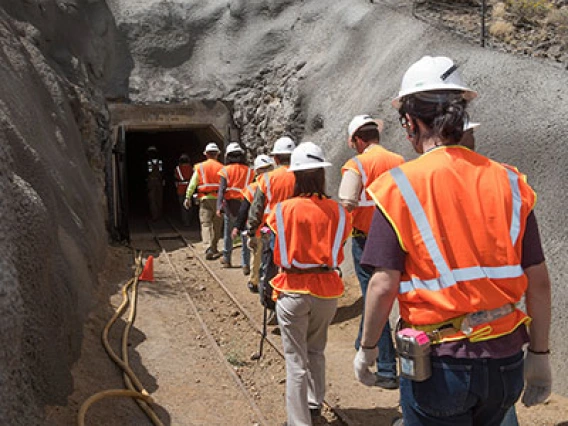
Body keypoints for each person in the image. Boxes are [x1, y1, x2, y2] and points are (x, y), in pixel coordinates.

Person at [353, 56, 552, 425]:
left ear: (411, 122)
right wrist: (540, 354)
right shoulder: (511, 183)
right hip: (506, 362)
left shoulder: (397, 187)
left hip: (440, 366)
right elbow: (538, 280)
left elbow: (383, 285)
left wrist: (367, 349)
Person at [266, 142, 352, 426]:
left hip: (292, 287)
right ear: (321, 174)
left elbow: (269, 237)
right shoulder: (338, 212)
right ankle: (314, 404)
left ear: (296, 175)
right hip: (327, 289)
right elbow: (338, 246)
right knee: (317, 349)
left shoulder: (282, 210)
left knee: (295, 359)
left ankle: (299, 422)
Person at [339, 114, 404, 389]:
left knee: (375, 299)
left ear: (358, 140)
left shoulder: (356, 164)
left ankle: (387, 368)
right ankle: (361, 342)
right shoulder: (400, 161)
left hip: (367, 242)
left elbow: (347, 200)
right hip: (399, 240)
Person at [247, 136, 297, 310]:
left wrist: (252, 230)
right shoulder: (302, 175)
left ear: (275, 158)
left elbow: (257, 208)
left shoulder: (267, 179)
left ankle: (270, 301)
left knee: (270, 266)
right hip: (299, 230)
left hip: (273, 230)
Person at [231, 154, 275, 293]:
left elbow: (244, 209)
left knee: (256, 256)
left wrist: (238, 227)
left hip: (257, 229)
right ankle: (271, 280)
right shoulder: (277, 183)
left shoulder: (252, 188)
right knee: (272, 257)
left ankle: (254, 281)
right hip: (274, 228)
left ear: (256, 171)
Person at [216, 142, 254, 272]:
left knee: (228, 233)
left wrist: (218, 207)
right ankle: (245, 264)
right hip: (245, 205)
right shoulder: (250, 172)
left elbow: (221, 190)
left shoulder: (225, 171)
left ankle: (227, 259)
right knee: (244, 234)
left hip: (230, 206)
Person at [184, 142, 223, 260]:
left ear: (206, 154)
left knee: (205, 224)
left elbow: (193, 183)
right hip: (219, 200)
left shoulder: (200, 167)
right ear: (217, 154)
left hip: (205, 199)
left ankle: (207, 247)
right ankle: (214, 247)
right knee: (217, 225)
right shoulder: (222, 168)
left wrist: (188, 196)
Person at [174, 153, 193, 227]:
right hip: (190, 187)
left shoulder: (177, 168)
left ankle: (185, 221)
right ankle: (190, 220)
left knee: (183, 206)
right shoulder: (191, 168)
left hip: (180, 188)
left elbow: (175, 176)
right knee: (190, 205)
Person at [147, 145, 164, 221]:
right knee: (159, 198)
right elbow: (162, 171)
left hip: (151, 181)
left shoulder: (149, 162)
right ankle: (159, 215)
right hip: (159, 181)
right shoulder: (160, 162)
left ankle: (155, 216)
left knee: (152, 199)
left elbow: (148, 171)